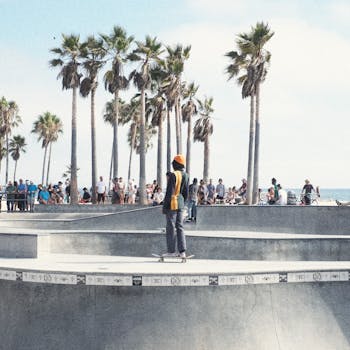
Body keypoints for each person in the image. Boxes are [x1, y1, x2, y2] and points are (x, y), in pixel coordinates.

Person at [162, 154, 189, 258]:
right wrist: (182, 202)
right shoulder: (186, 175)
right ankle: (182, 252)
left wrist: (165, 206)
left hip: (172, 204)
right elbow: (186, 193)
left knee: (170, 227)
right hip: (181, 203)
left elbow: (169, 192)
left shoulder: (173, 175)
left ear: (176, 164)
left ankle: (171, 251)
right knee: (180, 227)